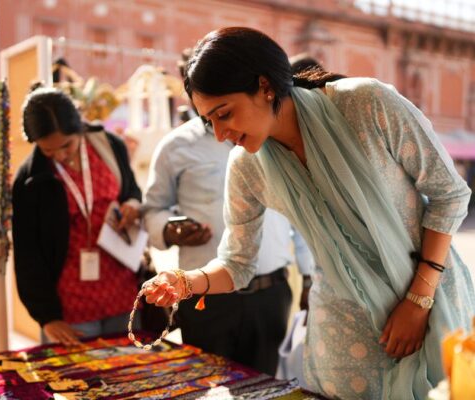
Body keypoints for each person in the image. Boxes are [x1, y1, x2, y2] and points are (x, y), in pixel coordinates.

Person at [142, 27, 475, 399]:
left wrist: (418, 300)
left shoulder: (366, 105)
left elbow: (449, 194)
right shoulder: (247, 167)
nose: (220, 134)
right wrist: (185, 282)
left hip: (430, 294)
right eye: (209, 121)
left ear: (265, 87)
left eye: (225, 114)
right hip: (344, 327)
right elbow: (238, 264)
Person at [143, 97, 315, 375]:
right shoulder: (175, 146)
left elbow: (300, 212)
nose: (222, 132)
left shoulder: (273, 136)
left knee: (266, 386)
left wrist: (309, 276)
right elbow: (152, 209)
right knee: (207, 385)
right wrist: (169, 229)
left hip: (269, 293)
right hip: (205, 297)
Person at [12, 86, 142, 345]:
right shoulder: (30, 179)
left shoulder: (111, 147)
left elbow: (131, 190)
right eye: (49, 151)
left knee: (129, 366)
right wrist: (47, 317)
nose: (60, 155)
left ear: (80, 128)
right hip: (70, 305)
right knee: (76, 372)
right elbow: (28, 254)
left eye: (66, 145)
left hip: (122, 292)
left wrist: (132, 205)